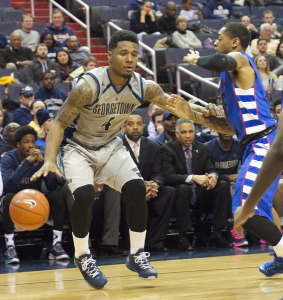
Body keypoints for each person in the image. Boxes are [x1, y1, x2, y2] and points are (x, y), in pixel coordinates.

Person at [30, 30, 232, 289]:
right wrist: (49, 159)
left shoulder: (143, 86)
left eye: (134, 54)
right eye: (123, 53)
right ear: (110, 55)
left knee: (137, 189)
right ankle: (82, 255)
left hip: (112, 146)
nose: (130, 59)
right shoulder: (87, 86)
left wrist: (218, 122)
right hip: (77, 147)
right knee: (83, 195)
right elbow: (58, 124)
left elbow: (182, 110)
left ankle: (136, 254)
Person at [178, 22, 282, 276]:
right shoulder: (231, 79)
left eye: (219, 38)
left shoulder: (241, 59)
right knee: (261, 211)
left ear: (234, 42)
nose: (214, 42)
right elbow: (236, 124)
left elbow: (218, 60)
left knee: (244, 213)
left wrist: (196, 59)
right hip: (253, 143)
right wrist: (201, 116)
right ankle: (280, 259)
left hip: (263, 144)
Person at [1, 126, 69, 264]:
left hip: (37, 203)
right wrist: (26, 163)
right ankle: (9, 247)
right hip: (15, 203)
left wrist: (45, 163)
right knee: (8, 198)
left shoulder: (40, 156)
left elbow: (51, 186)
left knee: (57, 196)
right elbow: (8, 187)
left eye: (33, 141)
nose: (31, 145)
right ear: (18, 144)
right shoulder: (8, 158)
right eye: (26, 142)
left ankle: (56, 244)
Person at [161, 119, 233, 249]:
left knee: (222, 184)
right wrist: (193, 178)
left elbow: (211, 168)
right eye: (183, 132)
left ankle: (217, 234)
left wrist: (213, 177)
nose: (188, 135)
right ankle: (183, 237)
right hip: (180, 196)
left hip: (200, 194)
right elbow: (168, 176)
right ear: (177, 134)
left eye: (190, 132)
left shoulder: (202, 148)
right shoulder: (167, 149)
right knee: (183, 189)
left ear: (195, 133)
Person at [120, 112, 175, 251]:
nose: (135, 127)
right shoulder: (116, 146)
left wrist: (155, 184)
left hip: (148, 189)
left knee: (169, 192)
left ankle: (154, 241)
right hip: (124, 189)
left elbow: (158, 173)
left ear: (143, 126)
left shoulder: (152, 145)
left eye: (139, 124)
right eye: (131, 124)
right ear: (124, 126)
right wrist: (139, 188)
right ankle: (130, 243)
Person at [205, 131, 248, 246]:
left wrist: (239, 176)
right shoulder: (208, 147)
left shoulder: (239, 145)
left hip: (234, 184)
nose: (226, 131)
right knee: (226, 186)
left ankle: (255, 230)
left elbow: (245, 168)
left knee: (243, 186)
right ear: (216, 129)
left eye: (228, 127)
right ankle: (233, 228)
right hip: (215, 187)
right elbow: (205, 173)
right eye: (222, 128)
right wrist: (229, 177)